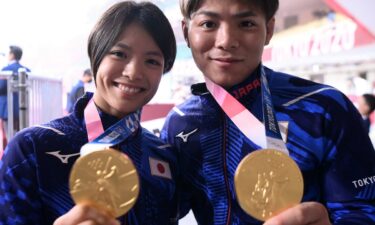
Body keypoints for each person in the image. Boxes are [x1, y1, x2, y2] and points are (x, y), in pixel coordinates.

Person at [161, 0, 375, 224]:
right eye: (208, 24)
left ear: (269, 30)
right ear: (186, 32)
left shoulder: (324, 108)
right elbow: (163, 213)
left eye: (246, 23)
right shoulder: (179, 124)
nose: (226, 41)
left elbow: (364, 208)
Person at [0, 1, 178, 224]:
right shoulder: (32, 148)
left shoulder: (163, 154)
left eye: (151, 61)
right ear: (96, 55)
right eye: (119, 54)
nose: (133, 72)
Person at [0, 45, 31, 132]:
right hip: (23, 107)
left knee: (9, 133)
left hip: (7, 109)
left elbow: (1, 87)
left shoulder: (6, 70)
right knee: (21, 132)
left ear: (12, 55)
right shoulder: (27, 70)